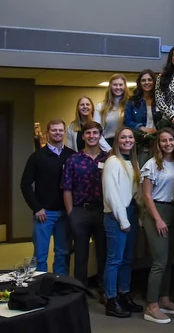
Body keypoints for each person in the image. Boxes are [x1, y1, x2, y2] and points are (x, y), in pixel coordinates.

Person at [140, 128, 174, 323]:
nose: (167, 143)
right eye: (163, 141)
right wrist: (158, 218)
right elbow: (146, 195)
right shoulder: (152, 165)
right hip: (156, 212)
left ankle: (165, 299)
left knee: (169, 259)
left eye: (170, 140)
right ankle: (151, 306)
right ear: (158, 144)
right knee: (159, 260)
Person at [20, 118, 73, 275]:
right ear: (47, 133)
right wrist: (37, 208)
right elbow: (25, 185)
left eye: (60, 130)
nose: (57, 133)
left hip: (65, 214)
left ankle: (60, 286)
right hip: (44, 214)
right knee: (40, 256)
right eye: (54, 130)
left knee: (63, 254)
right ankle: (40, 288)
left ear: (64, 132)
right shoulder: (37, 157)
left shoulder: (71, 156)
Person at [62, 121, 108, 295]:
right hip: (80, 210)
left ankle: (104, 290)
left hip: (102, 211)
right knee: (81, 254)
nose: (92, 136)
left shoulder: (108, 158)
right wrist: (71, 213)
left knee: (103, 253)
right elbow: (66, 188)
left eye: (95, 133)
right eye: (88, 133)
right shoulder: (73, 160)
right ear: (83, 136)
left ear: (100, 135)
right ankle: (79, 291)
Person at [102, 127, 143, 318]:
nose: (127, 140)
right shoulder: (112, 162)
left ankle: (124, 295)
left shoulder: (132, 162)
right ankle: (111, 300)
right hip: (116, 215)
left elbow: (134, 192)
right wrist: (123, 220)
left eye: (130, 137)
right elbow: (112, 195)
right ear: (117, 141)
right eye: (123, 137)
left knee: (127, 260)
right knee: (115, 260)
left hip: (131, 213)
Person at [125, 69, 160, 164]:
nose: (146, 82)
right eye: (143, 80)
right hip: (141, 141)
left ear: (154, 82)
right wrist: (141, 127)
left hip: (159, 140)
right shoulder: (132, 101)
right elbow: (127, 122)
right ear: (139, 83)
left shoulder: (160, 100)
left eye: (149, 80)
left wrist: (157, 130)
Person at [95, 73, 130, 151]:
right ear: (110, 87)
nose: (118, 87)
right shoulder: (101, 106)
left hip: (127, 145)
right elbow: (96, 132)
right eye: (115, 85)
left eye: (120, 85)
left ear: (125, 86)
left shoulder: (130, 105)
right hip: (108, 145)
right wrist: (108, 149)